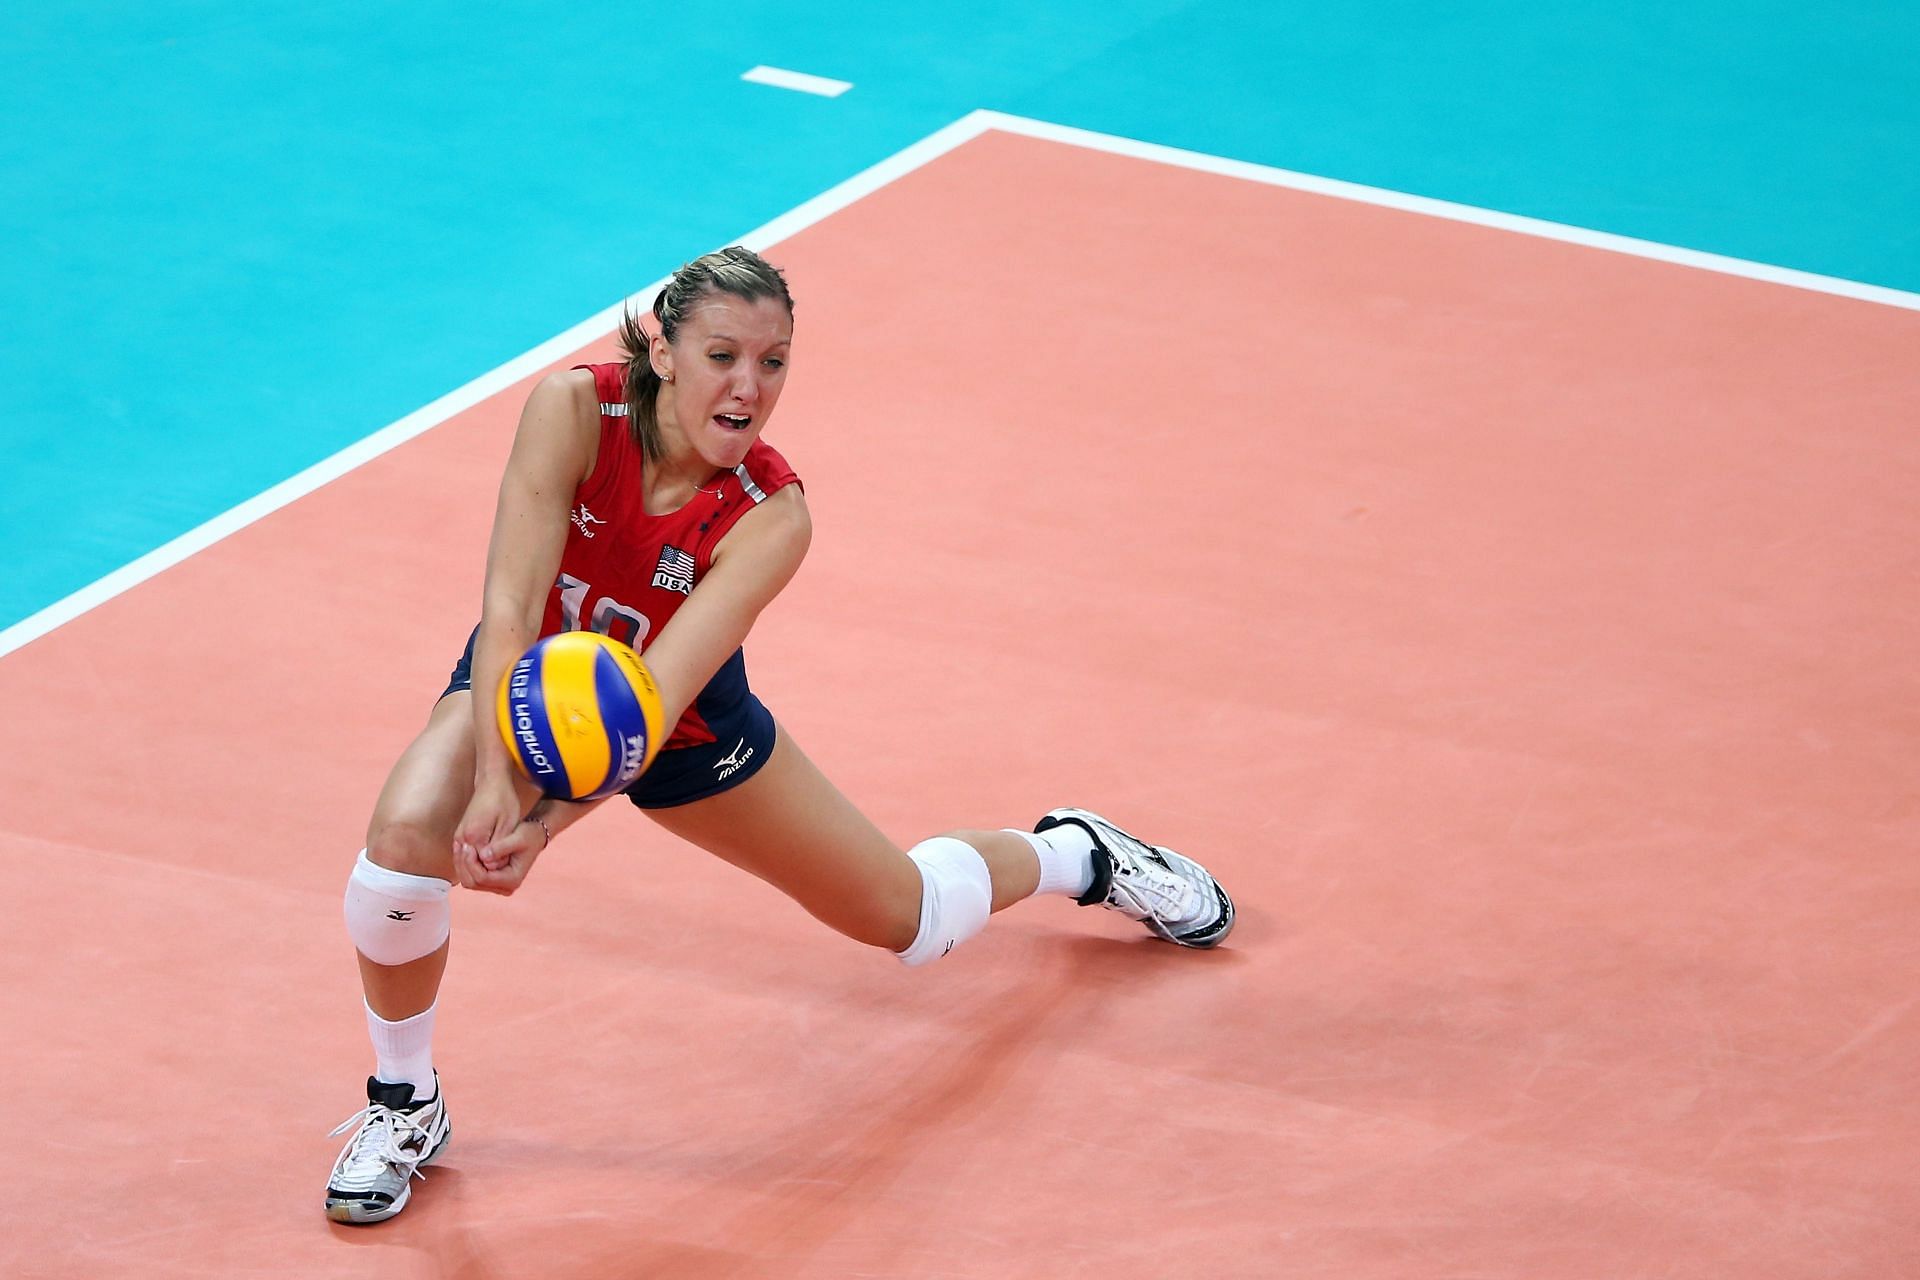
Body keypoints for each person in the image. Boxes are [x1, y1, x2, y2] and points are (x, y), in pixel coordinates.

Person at [323, 247, 1235, 1224]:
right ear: (664, 352)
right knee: (403, 838)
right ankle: (403, 1100)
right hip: (534, 681)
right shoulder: (576, 411)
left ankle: (1078, 853)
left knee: (912, 919)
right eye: (723, 354)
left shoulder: (771, 516)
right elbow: (507, 601)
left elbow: (651, 709)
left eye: (774, 362)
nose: (749, 386)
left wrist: (539, 827)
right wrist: (499, 779)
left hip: (682, 734)